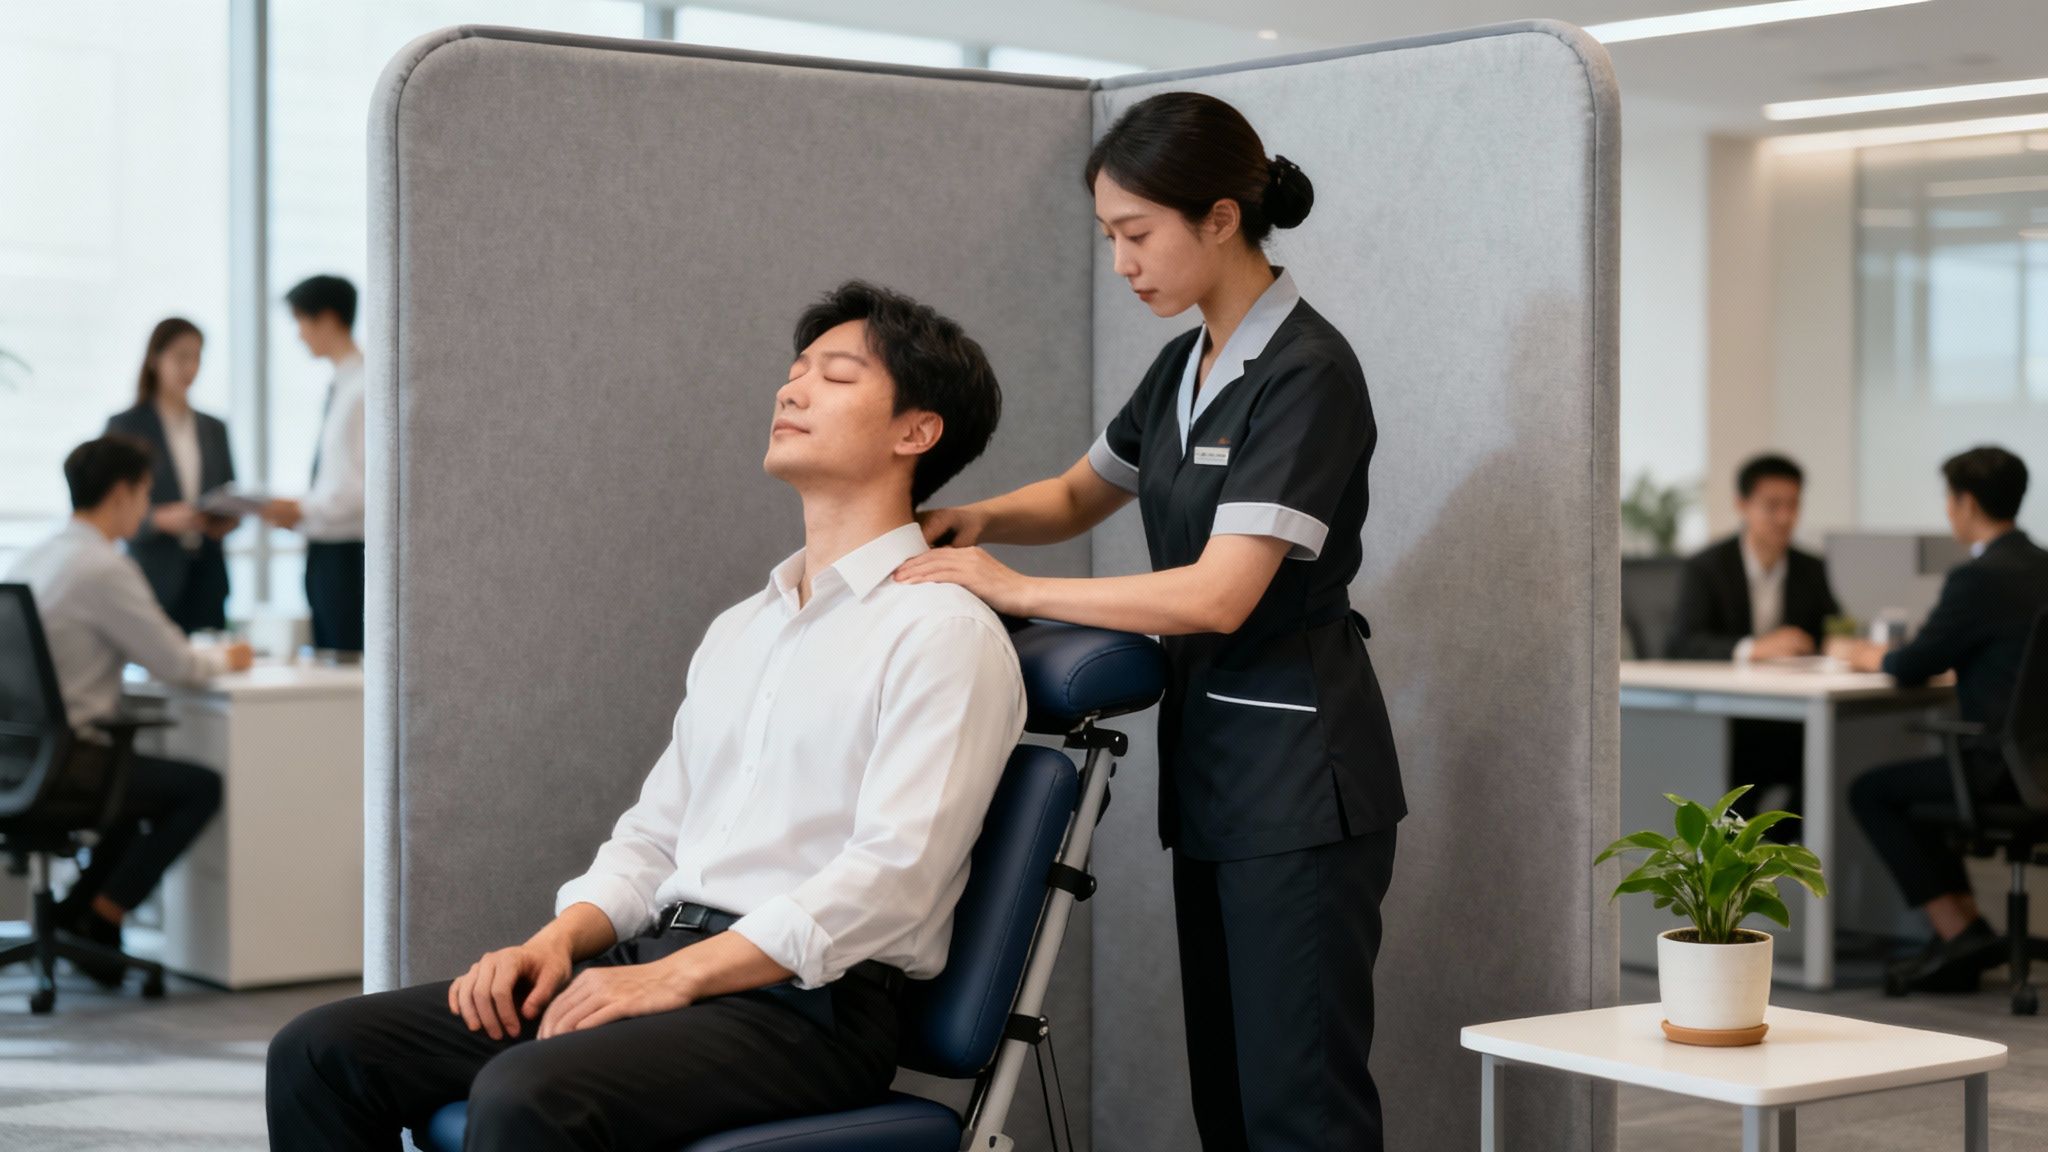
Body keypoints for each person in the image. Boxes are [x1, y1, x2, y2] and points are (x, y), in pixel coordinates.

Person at [265, 281, 1026, 1150]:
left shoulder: (942, 631)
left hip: (807, 1008)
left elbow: (893, 879)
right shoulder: (744, 627)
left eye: (837, 376)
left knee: (528, 1093)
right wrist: (557, 942)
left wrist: (683, 978)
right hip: (664, 957)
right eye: (795, 372)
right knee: (322, 1050)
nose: (792, 390)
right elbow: (654, 840)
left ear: (915, 432)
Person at [896, 92, 1402, 1152]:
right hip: (1215, 769)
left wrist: (1017, 589)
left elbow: (1219, 594)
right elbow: (1078, 494)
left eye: (1136, 234)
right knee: (1227, 1096)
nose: (1122, 264)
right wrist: (974, 519)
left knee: (1298, 1108)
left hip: (1301, 779)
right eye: (1108, 239)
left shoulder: (1307, 373)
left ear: (1220, 218)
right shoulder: (1183, 364)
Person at [4, 436, 253, 985]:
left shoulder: (36, 556)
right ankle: (102, 915)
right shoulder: (103, 568)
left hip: (17, 759)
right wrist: (227, 658)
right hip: (66, 764)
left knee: (131, 784)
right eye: (144, 493)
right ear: (121, 494)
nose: (146, 507)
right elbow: (177, 663)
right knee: (196, 788)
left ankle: (77, 914)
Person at [1841, 446, 2048, 992]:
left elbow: (1913, 665)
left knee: (1871, 791)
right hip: (2039, 767)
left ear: (1967, 503)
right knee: (1923, 783)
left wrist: (1870, 656)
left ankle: (1958, 932)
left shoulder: (1979, 578)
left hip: (1999, 768)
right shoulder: (2042, 567)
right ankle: (1966, 928)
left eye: (1949, 499)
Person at [1667, 453, 1843, 822]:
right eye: (1772, 506)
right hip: (1727, 718)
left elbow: (1830, 630)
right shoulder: (1707, 567)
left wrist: (1843, 643)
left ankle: (1781, 842)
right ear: (1742, 504)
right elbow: (1682, 643)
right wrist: (1752, 648)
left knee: (1837, 754)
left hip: (1793, 713)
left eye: (1793, 505)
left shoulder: (1810, 568)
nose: (1785, 517)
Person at [104, 318, 240, 633]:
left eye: (197, 358)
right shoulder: (126, 426)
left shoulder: (214, 428)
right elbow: (107, 508)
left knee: (210, 657)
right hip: (154, 573)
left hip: (207, 574)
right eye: (181, 357)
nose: (190, 368)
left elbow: (230, 491)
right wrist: (158, 519)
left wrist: (225, 519)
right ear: (155, 359)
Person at [262, 275, 366, 652]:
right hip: (326, 550)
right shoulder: (344, 385)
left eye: (301, 321)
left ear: (328, 319)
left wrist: (302, 509)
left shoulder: (365, 389)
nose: (299, 335)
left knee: (346, 665)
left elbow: (364, 487)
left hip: (348, 555)